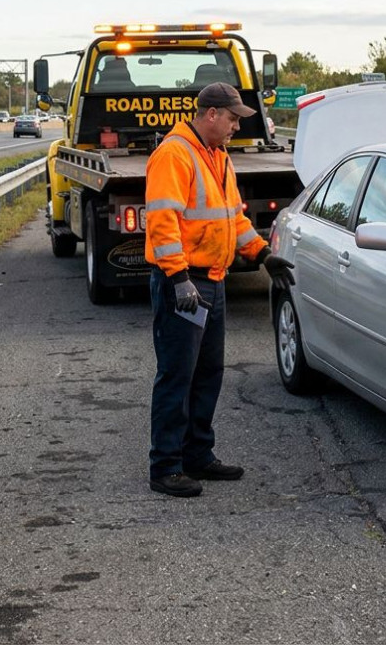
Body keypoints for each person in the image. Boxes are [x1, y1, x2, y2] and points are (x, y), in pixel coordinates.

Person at [143, 81, 295, 497]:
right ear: (211, 115)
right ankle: (166, 467)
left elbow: (231, 217)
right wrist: (177, 279)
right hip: (186, 283)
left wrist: (262, 253)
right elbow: (161, 222)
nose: (234, 127)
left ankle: (197, 456)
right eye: (231, 119)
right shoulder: (175, 154)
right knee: (177, 375)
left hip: (213, 280)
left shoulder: (217, 155)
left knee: (208, 373)